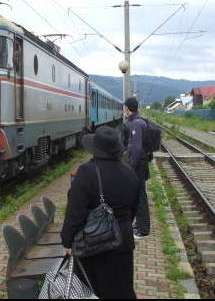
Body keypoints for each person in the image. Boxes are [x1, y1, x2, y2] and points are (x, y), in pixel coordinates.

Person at [61, 126, 140, 299]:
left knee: (91, 290)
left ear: (95, 150)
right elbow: (134, 208)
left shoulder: (86, 172)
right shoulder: (130, 172)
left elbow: (75, 212)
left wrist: (67, 241)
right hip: (123, 242)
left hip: (95, 243)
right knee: (122, 289)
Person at [120, 97, 152, 238]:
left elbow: (137, 148)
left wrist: (130, 167)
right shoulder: (139, 121)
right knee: (138, 195)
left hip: (138, 165)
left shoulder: (136, 124)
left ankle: (143, 229)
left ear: (127, 108)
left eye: (125, 108)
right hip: (140, 164)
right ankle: (139, 224)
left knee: (140, 196)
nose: (124, 110)